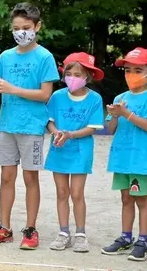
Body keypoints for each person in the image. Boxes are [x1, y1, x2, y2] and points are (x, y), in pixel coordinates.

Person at [0, 3, 60, 250]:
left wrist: (12, 89)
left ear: (37, 26)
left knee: (30, 178)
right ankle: (4, 227)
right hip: (7, 125)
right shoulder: (6, 56)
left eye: (26, 27)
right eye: (16, 28)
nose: (21, 32)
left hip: (33, 128)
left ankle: (30, 228)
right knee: (6, 177)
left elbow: (45, 94)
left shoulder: (44, 57)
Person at [101, 48, 147, 262]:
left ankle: (143, 241)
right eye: (128, 70)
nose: (131, 74)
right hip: (121, 158)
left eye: (138, 70)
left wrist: (126, 113)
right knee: (126, 198)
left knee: (141, 199)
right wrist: (113, 115)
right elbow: (110, 129)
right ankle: (125, 237)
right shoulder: (121, 97)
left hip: (139, 159)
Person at [44, 52, 106, 253]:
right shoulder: (57, 96)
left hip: (80, 150)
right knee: (62, 193)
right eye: (69, 73)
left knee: (77, 193)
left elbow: (92, 127)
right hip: (59, 148)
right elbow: (49, 121)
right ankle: (63, 232)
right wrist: (56, 133)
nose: (72, 77)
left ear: (88, 76)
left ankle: (80, 234)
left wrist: (70, 134)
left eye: (78, 74)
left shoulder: (94, 98)